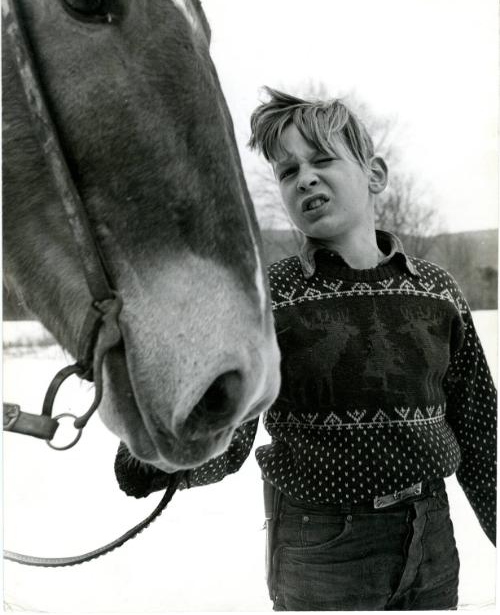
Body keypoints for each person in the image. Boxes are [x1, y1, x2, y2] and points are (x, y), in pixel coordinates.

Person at [114, 88, 496, 610]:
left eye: (322, 160)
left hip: (430, 533)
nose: (305, 178)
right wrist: (158, 457)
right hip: (322, 545)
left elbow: (480, 434)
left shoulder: (437, 290)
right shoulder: (272, 299)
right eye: (288, 172)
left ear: (375, 175)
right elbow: (230, 434)